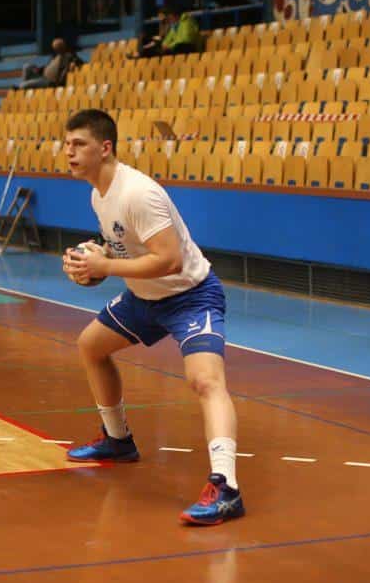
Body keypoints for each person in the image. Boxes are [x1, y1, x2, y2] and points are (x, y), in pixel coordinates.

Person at [61, 109, 244, 526]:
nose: (69, 152)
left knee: (206, 381)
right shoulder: (99, 195)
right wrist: (92, 263)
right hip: (144, 297)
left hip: (190, 297)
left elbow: (170, 259)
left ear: (105, 148)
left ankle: (227, 488)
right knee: (91, 346)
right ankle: (118, 440)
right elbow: (125, 248)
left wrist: (106, 267)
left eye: (79, 144)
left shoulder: (138, 193)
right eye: (67, 144)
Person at [135, 2, 202, 59]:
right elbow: (168, 39)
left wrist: (169, 46)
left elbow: (186, 39)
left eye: (168, 18)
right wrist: (164, 45)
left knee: (179, 47)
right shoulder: (174, 26)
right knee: (149, 51)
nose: (168, 20)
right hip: (175, 48)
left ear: (173, 15)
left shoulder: (187, 21)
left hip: (190, 48)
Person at [17, 38, 83, 90]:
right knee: (27, 66)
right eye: (55, 46)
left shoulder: (68, 55)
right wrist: (40, 70)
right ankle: (23, 85)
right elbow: (48, 67)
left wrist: (74, 62)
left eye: (58, 45)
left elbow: (79, 61)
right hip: (42, 75)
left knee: (23, 85)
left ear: (63, 46)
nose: (56, 47)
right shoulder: (55, 56)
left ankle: (21, 87)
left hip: (49, 82)